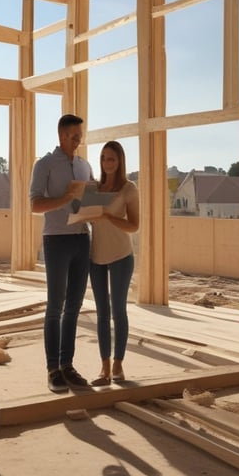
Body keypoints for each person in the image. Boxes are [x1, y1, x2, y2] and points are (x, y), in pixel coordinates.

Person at [29, 113, 94, 392]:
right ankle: (52, 369)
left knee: (75, 307)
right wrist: (65, 198)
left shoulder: (84, 165)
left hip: (82, 239)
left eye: (81, 135)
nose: (79, 140)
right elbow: (35, 204)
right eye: (75, 136)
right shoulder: (44, 164)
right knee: (55, 307)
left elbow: (90, 199)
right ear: (62, 136)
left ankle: (68, 366)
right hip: (56, 240)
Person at [88, 141, 140, 385]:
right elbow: (87, 219)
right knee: (101, 312)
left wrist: (109, 216)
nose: (106, 163)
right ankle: (104, 367)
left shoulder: (128, 189)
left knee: (118, 311)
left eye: (111, 159)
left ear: (120, 162)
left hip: (121, 255)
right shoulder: (94, 188)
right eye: (103, 158)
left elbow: (134, 225)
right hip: (95, 256)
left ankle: (119, 364)